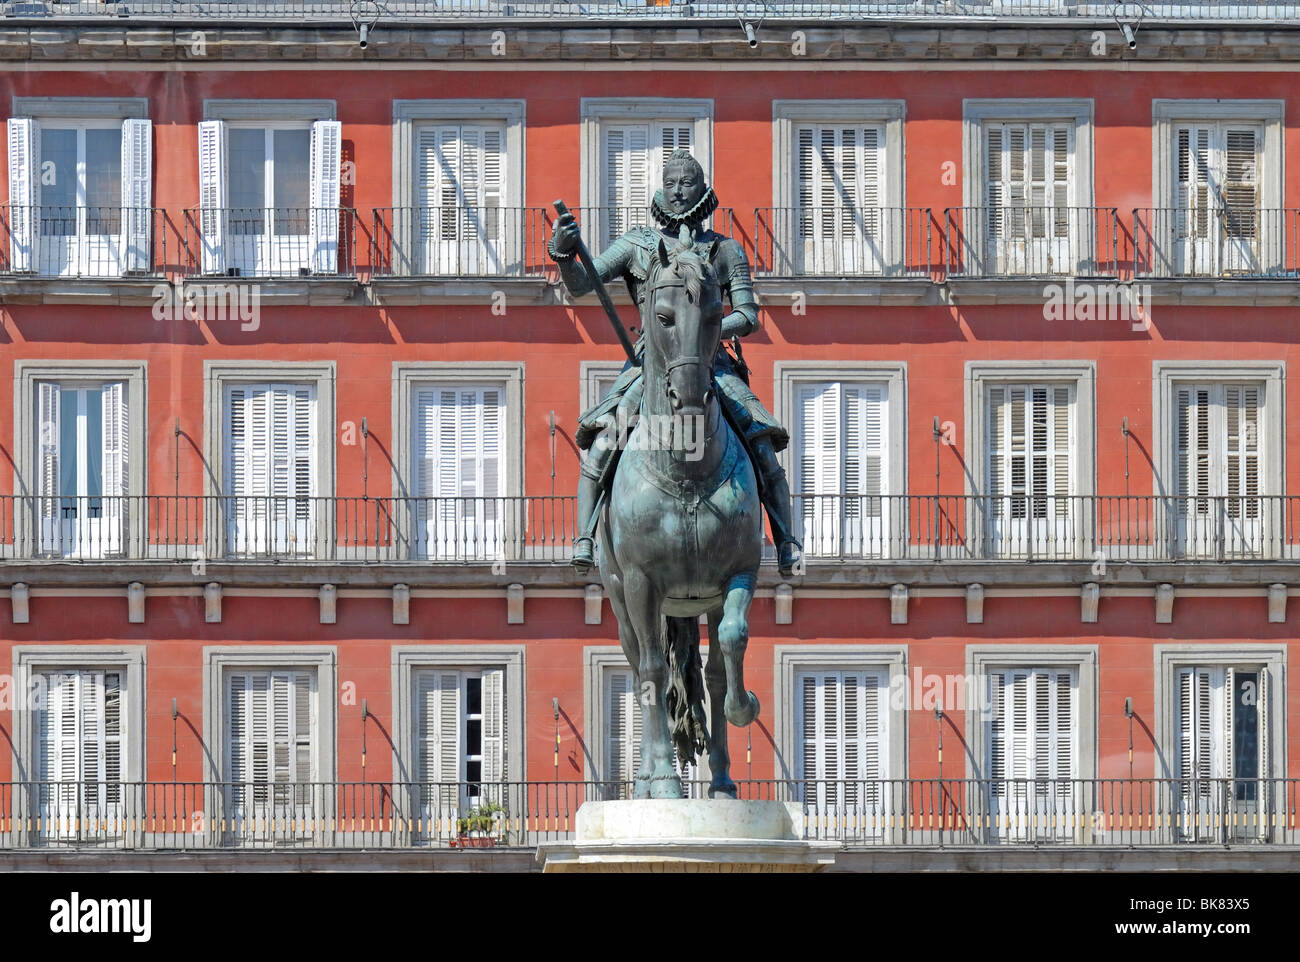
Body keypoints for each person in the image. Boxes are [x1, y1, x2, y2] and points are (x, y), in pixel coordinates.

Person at [550, 148, 803, 577]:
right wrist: (563, 253)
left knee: (760, 440)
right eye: (671, 183)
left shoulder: (724, 250)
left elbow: (748, 315)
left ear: (702, 190)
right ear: (661, 190)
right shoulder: (637, 244)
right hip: (650, 364)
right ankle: (586, 538)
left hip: (711, 364)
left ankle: (786, 541)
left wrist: (704, 332)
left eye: (687, 183)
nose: (679, 191)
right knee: (605, 439)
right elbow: (580, 286)